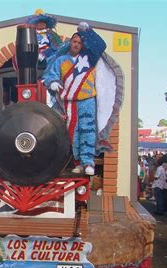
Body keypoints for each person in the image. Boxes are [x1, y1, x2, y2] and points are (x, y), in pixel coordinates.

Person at [42, 23, 106, 176]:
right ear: (70, 42)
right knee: (73, 133)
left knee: (88, 129)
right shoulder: (61, 60)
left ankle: (88, 162)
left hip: (87, 99)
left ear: (82, 45)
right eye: (74, 41)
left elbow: (101, 45)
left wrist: (88, 31)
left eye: (79, 42)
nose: (76, 44)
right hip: (69, 102)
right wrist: (53, 82)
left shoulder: (89, 57)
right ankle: (78, 163)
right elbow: (50, 75)